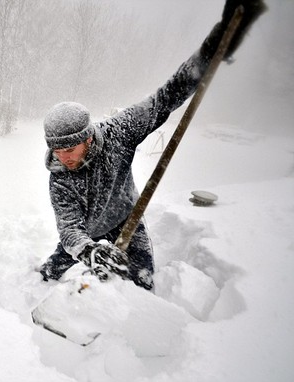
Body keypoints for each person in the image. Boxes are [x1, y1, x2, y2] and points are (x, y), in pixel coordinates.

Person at [39, 0, 266, 290]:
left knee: (142, 283)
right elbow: (70, 229)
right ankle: (43, 279)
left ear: (87, 137)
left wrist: (214, 46)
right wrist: (89, 250)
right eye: (56, 150)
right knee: (48, 273)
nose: (62, 157)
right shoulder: (59, 178)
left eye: (68, 149)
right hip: (87, 233)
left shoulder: (118, 134)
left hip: (125, 220)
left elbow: (166, 96)